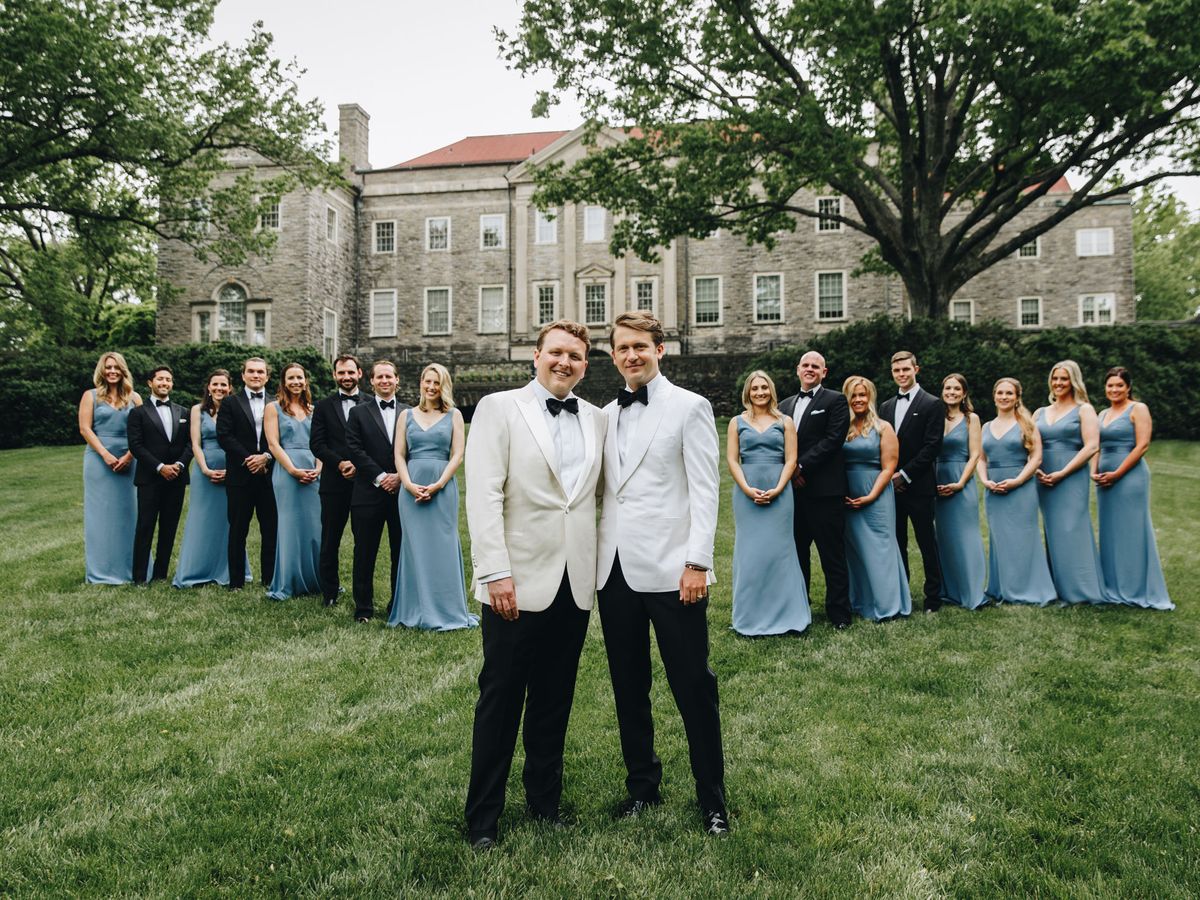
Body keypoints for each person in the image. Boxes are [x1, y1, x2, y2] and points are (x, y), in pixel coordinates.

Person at [463, 321, 606, 851]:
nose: (564, 362)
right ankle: (483, 819)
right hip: (516, 581)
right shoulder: (499, 409)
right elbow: (483, 495)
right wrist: (495, 572)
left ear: (585, 364)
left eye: (575, 356)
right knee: (499, 701)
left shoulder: (596, 418)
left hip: (574, 581)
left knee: (554, 700)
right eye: (556, 353)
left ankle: (545, 803)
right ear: (536, 355)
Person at [597, 311, 728, 836]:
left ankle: (712, 799)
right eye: (623, 348)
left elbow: (705, 489)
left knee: (693, 685)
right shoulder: (603, 414)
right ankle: (642, 788)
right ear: (613, 356)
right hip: (615, 573)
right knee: (629, 688)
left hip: (676, 570)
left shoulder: (690, 407)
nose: (633, 355)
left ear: (660, 349)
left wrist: (698, 562)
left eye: (641, 346)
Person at [389, 364, 476, 631]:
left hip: (442, 486)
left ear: (443, 386)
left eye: (436, 383)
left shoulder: (454, 415)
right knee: (414, 548)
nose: (430, 387)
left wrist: (439, 484)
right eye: (427, 381)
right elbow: (399, 454)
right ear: (420, 383)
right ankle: (414, 609)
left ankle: (447, 610)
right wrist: (407, 483)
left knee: (443, 546)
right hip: (410, 488)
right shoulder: (406, 415)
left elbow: (457, 455)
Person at [726, 370, 811, 636]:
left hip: (780, 490)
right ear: (748, 393)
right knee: (750, 554)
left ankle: (788, 614)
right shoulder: (736, 422)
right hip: (747, 490)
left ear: (771, 390)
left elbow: (791, 460)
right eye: (755, 388)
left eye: (764, 387)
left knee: (780, 552)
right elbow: (731, 460)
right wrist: (747, 489)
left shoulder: (785, 421)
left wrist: (778, 488)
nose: (760, 392)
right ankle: (749, 616)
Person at [778, 351, 852, 629]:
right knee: (797, 553)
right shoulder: (784, 405)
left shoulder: (835, 401)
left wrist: (801, 467)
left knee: (832, 553)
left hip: (825, 492)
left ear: (824, 372)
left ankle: (840, 613)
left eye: (815, 366)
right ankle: (800, 607)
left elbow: (833, 440)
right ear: (798, 370)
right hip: (793, 495)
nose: (810, 369)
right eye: (806, 365)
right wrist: (789, 472)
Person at [1092, 367, 1173, 609]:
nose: (1114, 390)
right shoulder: (1102, 413)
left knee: (1132, 530)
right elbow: (1095, 445)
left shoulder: (1138, 409)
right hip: (1104, 479)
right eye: (1110, 386)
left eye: (1119, 385)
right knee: (1110, 531)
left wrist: (1117, 473)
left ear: (1128, 387)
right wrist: (1094, 471)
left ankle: (1137, 587)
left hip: (1129, 477)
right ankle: (1113, 585)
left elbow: (1143, 445)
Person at [978, 378, 1057, 606]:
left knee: (1023, 538)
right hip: (994, 489)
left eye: (1009, 393)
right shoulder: (986, 427)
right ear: (994, 396)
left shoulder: (1027, 424)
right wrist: (985, 481)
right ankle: (1000, 587)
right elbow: (981, 459)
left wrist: (1018, 480)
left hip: (1021, 488)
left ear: (1017, 397)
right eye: (1000, 393)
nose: (1004, 397)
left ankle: (1029, 588)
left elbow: (1037, 457)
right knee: (1000, 539)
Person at [1034, 360, 1105, 604]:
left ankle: (1081, 589)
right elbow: (1031, 444)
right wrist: (1036, 470)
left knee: (1072, 527)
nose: (1058, 383)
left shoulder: (1084, 409)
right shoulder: (1040, 412)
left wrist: (1063, 472)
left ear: (1073, 381)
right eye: (1055, 378)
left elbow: (1092, 445)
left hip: (1071, 476)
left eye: (1064, 378)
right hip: (1044, 478)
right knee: (1052, 529)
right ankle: (1054, 584)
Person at [841, 376, 912, 621]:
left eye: (863, 395)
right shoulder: (843, 428)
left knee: (880, 548)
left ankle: (888, 604)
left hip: (876, 493)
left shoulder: (884, 428)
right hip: (847, 495)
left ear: (870, 397)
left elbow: (889, 467)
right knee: (855, 550)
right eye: (854, 395)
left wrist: (870, 496)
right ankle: (859, 601)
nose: (858, 400)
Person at [878, 350, 944, 612]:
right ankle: (901, 592)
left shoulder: (932, 403)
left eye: (906, 369)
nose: (902, 374)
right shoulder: (885, 407)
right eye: (897, 370)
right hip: (891, 490)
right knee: (897, 542)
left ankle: (933, 598)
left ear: (916, 369)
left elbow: (932, 447)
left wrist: (904, 475)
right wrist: (888, 476)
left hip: (919, 486)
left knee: (927, 542)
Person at [174, 370, 251, 588]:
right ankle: (195, 570)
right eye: (215, 384)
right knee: (202, 519)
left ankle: (229, 569)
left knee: (231, 522)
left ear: (230, 387)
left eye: (223, 385)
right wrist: (205, 469)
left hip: (234, 469)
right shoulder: (197, 410)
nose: (219, 389)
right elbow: (195, 443)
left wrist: (234, 468)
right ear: (208, 387)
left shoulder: (235, 408)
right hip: (204, 469)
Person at [345, 360, 408, 623]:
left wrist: (398, 477)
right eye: (379, 377)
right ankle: (363, 608)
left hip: (400, 494)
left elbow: (411, 450)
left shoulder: (409, 412)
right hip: (367, 493)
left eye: (389, 376)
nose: (384, 381)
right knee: (364, 552)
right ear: (371, 381)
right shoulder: (358, 413)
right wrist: (381, 477)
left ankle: (397, 603)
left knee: (400, 551)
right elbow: (354, 449)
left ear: (397, 380)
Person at [310, 354, 370, 607]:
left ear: (359, 373)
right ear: (335, 375)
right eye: (341, 373)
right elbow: (317, 444)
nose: (346, 377)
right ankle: (330, 593)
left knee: (363, 541)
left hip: (365, 484)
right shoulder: (323, 406)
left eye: (350, 372)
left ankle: (362, 594)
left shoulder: (370, 403)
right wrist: (340, 463)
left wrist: (360, 464)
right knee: (330, 539)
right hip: (334, 483)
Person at [79, 352, 143, 583]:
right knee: (100, 516)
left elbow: (143, 431)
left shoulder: (134, 398)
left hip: (130, 459)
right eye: (108, 367)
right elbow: (86, 429)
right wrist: (106, 455)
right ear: (102, 370)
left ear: (123, 370)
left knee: (129, 513)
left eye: (116, 367)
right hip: (98, 461)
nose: (112, 371)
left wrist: (129, 455)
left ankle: (130, 568)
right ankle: (100, 570)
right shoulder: (91, 396)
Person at [126, 365, 192, 584]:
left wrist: (180, 465)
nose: (165, 383)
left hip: (177, 478)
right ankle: (139, 577)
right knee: (145, 526)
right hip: (150, 478)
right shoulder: (138, 413)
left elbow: (190, 444)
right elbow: (136, 445)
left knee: (169, 526)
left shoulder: (183, 412)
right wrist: (160, 467)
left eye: (169, 380)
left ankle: (161, 574)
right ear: (150, 383)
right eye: (161, 379)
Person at [217, 358, 278, 591]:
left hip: (270, 475)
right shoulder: (230, 402)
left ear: (267, 376)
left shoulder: (276, 402)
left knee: (270, 528)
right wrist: (249, 459)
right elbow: (225, 436)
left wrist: (266, 457)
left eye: (260, 372)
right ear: (242, 376)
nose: (256, 375)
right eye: (251, 371)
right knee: (238, 529)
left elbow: (280, 439)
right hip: (240, 475)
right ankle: (236, 581)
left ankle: (269, 578)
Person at [264, 363, 322, 600]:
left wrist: (318, 468)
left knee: (315, 527)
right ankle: (288, 582)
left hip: (314, 470)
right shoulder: (273, 408)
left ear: (305, 381)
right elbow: (273, 444)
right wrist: (292, 469)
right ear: (284, 382)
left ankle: (317, 579)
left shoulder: (313, 409)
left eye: (300, 377)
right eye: (291, 378)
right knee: (290, 526)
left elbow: (320, 442)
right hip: (287, 470)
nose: (296, 381)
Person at [934, 374, 987, 609]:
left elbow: (975, 454)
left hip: (960, 478)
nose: (952, 392)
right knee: (944, 538)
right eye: (948, 388)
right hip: (936, 480)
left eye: (957, 388)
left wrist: (960, 482)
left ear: (964, 393)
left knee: (966, 536)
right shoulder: (934, 416)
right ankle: (950, 589)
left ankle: (972, 591)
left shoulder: (970, 419)